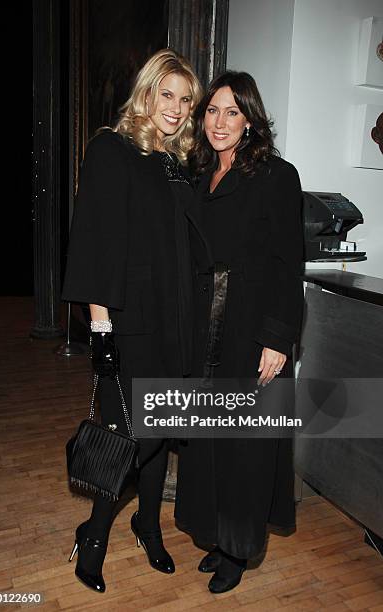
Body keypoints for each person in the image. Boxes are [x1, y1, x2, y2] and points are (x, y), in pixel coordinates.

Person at [62, 49, 202, 593]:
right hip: (129, 321)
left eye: (185, 99)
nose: (175, 107)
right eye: (166, 94)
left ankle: (149, 524)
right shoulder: (111, 149)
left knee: (163, 431)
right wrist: (101, 332)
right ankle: (93, 534)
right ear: (146, 93)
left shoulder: (176, 163)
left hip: (176, 321)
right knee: (132, 436)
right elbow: (95, 244)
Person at [175, 71, 304, 594]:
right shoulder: (196, 174)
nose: (219, 122)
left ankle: (237, 548)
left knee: (244, 447)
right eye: (211, 111)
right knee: (206, 441)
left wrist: (277, 337)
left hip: (250, 326)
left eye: (231, 111)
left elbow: (286, 262)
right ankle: (212, 533)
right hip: (201, 325)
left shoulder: (275, 175)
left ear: (250, 117)